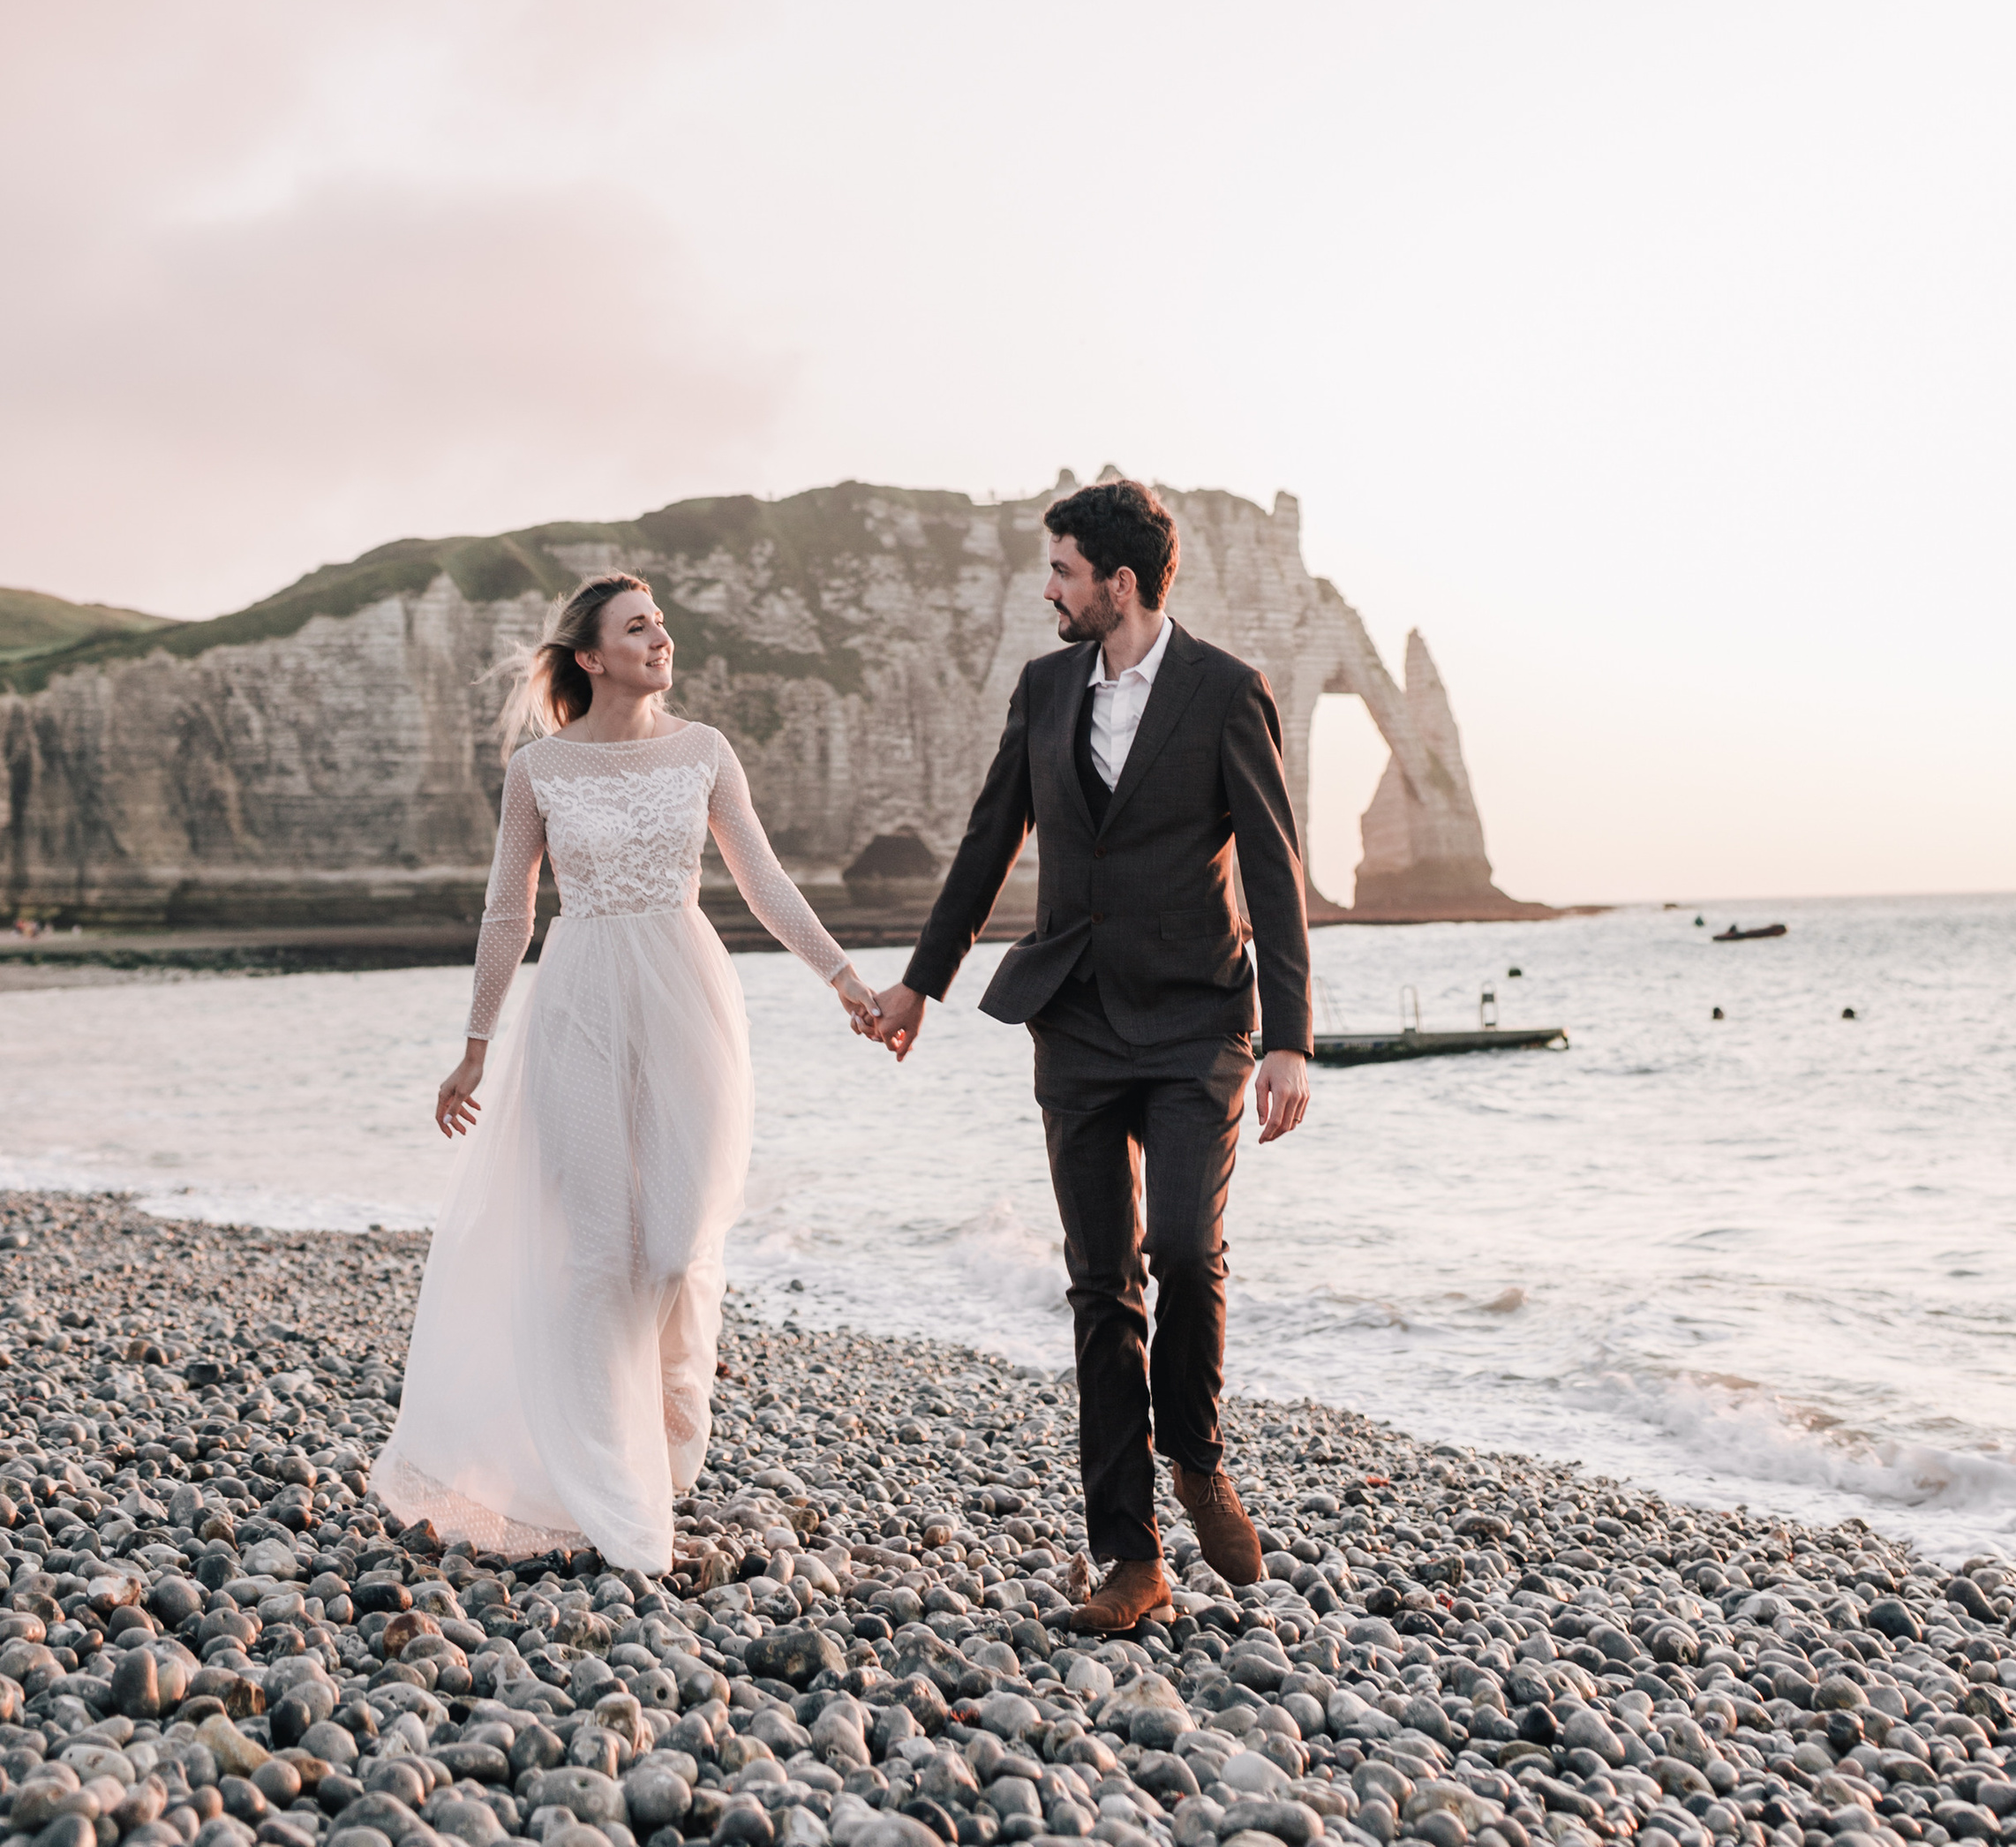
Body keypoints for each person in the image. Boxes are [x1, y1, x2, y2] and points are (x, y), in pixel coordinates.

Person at [871, 479, 1313, 1635]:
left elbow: (1273, 873)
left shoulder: (1226, 692)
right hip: (1075, 1020)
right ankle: (1129, 1561)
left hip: (1197, 1025)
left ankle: (1197, 1458)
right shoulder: (1043, 687)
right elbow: (985, 842)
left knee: (1182, 1244)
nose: (1049, 588)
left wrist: (1291, 1042)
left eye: (1063, 569)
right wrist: (922, 984)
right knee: (1101, 1284)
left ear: (1118, 582)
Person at [372, 572, 877, 1572]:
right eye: (637, 627)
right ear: (591, 658)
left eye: (661, 624)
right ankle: (613, 1503)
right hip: (578, 1008)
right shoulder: (538, 769)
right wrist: (475, 1044)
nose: (661, 638)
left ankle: (666, 1446)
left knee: (677, 1250)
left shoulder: (705, 751)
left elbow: (763, 879)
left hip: (688, 1004)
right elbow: (508, 913)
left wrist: (846, 980)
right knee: (599, 1251)